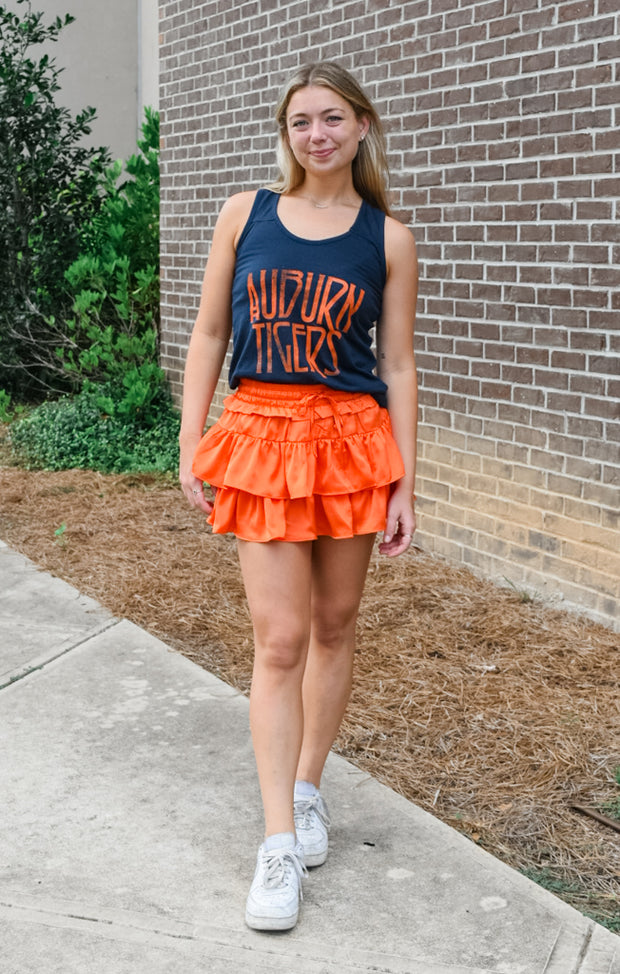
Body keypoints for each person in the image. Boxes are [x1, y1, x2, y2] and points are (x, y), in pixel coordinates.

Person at [179, 60, 418, 932]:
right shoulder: (245, 214)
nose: (314, 135)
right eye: (299, 122)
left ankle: (309, 787)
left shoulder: (387, 238)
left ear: (361, 125)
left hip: (351, 443)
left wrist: (405, 480)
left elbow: (395, 365)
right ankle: (277, 841)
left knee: (333, 627)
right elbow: (211, 331)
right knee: (278, 640)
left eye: (330, 119)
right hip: (262, 433)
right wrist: (191, 437)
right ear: (285, 135)